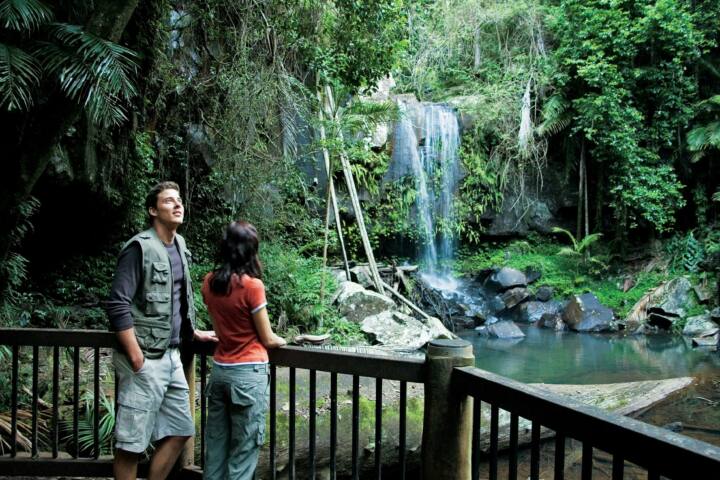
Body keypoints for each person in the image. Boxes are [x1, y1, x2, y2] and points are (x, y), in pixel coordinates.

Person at [105, 181, 218, 480]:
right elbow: (118, 304)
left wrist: (192, 332)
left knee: (181, 430)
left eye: (179, 200)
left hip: (172, 356)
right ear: (153, 210)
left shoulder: (179, 244)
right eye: (169, 201)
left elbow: (178, 298)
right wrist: (136, 356)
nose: (178, 204)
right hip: (144, 358)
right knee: (131, 445)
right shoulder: (139, 247)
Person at [201, 221, 286, 480]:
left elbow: (219, 331)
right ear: (250, 251)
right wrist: (284, 341)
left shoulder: (209, 282)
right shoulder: (252, 286)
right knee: (243, 450)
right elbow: (268, 338)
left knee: (215, 449)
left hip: (220, 372)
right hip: (248, 375)